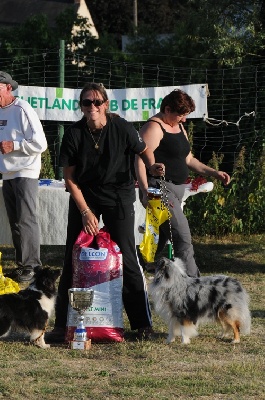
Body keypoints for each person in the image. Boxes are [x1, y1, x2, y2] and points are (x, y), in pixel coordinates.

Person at [46, 82, 165, 343]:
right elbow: (69, 179)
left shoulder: (121, 127)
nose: (92, 107)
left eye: (97, 102)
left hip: (118, 195)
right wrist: (86, 211)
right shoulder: (74, 134)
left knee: (128, 257)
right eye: (86, 103)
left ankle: (142, 324)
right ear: (81, 106)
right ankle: (63, 323)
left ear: (106, 105)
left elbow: (143, 150)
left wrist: (153, 166)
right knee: (72, 256)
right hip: (85, 194)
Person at [135, 89, 231, 277]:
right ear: (167, 109)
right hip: (159, 188)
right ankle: (195, 285)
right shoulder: (153, 128)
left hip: (176, 189)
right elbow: (138, 161)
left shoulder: (178, 127)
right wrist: (146, 191)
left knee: (160, 238)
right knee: (182, 238)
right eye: (181, 115)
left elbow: (189, 159)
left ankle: (131, 265)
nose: (184, 120)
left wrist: (214, 172)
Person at [0, 71, 47, 282]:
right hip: (7, 173)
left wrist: (15, 145)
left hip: (25, 170)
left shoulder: (22, 109)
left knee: (26, 219)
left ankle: (33, 266)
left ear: (9, 87)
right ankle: (22, 265)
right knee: (15, 222)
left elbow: (41, 144)